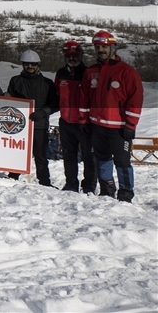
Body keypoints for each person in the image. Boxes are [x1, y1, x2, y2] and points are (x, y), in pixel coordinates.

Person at [86, 30, 142, 202]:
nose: (101, 50)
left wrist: (130, 125)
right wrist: (88, 120)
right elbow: (86, 97)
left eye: (104, 46)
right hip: (97, 126)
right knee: (102, 158)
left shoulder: (127, 72)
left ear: (113, 47)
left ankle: (125, 193)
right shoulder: (91, 71)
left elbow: (136, 98)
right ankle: (106, 189)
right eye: (98, 47)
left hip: (119, 128)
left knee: (122, 162)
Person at [6, 50, 58, 186]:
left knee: (40, 155)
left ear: (38, 65)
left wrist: (43, 112)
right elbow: (9, 103)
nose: (30, 66)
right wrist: (7, 97)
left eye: (33, 64)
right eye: (27, 64)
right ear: (23, 65)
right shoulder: (16, 81)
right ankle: (13, 177)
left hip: (39, 125)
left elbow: (55, 104)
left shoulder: (47, 83)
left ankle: (45, 182)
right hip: (19, 125)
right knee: (17, 153)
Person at [55, 40, 95, 193]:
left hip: (84, 123)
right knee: (69, 155)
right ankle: (71, 183)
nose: (72, 58)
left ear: (81, 55)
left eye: (75, 55)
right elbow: (57, 94)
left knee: (88, 156)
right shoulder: (61, 73)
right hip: (66, 122)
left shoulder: (87, 72)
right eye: (69, 55)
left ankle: (89, 185)